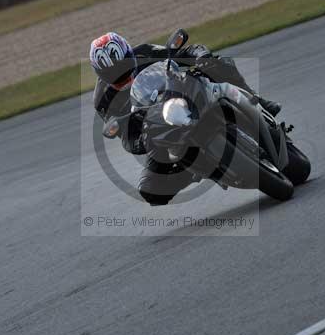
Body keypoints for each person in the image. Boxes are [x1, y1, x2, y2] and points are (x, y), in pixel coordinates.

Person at [90, 32, 281, 205]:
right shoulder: (103, 100)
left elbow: (186, 51)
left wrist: (202, 56)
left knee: (219, 63)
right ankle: (191, 170)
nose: (122, 76)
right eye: (113, 75)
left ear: (130, 55)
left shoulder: (144, 52)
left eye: (124, 67)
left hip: (183, 93)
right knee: (149, 190)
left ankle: (259, 101)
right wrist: (143, 141)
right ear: (101, 75)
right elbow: (126, 136)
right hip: (158, 126)